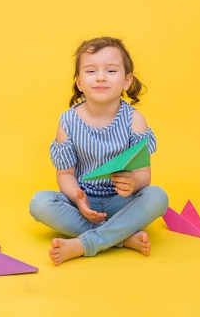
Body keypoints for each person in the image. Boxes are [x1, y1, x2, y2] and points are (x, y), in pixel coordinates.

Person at [29, 36, 169, 265]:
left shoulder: (135, 120)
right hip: (84, 205)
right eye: (91, 71)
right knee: (39, 203)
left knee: (158, 196)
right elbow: (65, 175)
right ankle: (121, 237)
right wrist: (78, 198)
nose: (101, 77)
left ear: (127, 80)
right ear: (79, 83)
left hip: (122, 202)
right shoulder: (67, 122)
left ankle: (85, 243)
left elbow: (144, 174)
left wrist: (134, 183)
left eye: (111, 71)